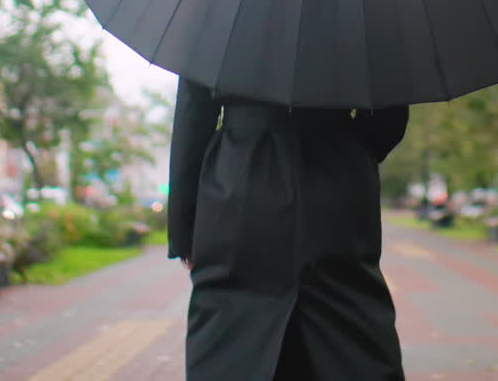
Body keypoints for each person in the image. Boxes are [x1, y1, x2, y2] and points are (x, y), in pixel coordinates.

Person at [167, 78, 408, 381]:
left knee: (230, 323)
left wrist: (183, 231)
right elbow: (391, 114)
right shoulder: (365, 28)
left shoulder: (215, 30)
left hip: (239, 180)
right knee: (348, 318)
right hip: (337, 176)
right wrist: (349, 149)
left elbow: (193, 113)